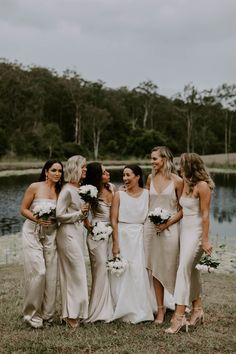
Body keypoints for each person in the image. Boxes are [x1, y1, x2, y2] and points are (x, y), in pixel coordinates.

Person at [165, 152, 215, 334]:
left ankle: (178, 318)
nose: (179, 166)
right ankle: (198, 309)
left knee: (183, 270)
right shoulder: (185, 182)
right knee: (191, 271)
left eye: (182, 163)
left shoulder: (203, 186)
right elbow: (183, 211)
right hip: (184, 232)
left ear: (191, 166)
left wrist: (206, 240)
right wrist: (167, 223)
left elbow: (206, 215)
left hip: (197, 233)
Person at [20, 160, 64, 329]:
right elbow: (23, 209)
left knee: (52, 276)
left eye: (60, 171)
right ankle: (31, 315)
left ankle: (47, 315)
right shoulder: (35, 187)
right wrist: (37, 219)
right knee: (39, 272)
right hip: (32, 232)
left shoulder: (62, 191)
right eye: (54, 170)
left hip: (52, 234)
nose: (57, 173)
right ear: (46, 171)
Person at [143, 146, 183, 324]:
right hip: (150, 229)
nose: (152, 162)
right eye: (151, 159)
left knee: (172, 267)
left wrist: (167, 223)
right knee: (155, 269)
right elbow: (146, 202)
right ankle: (160, 309)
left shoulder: (178, 181)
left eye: (154, 159)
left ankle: (178, 305)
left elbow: (183, 210)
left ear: (165, 159)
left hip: (170, 228)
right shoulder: (150, 178)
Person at [110, 164, 154, 323]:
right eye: (123, 175)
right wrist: (115, 243)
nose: (125, 178)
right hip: (123, 235)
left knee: (140, 271)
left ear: (137, 177)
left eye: (128, 175)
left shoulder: (148, 194)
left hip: (141, 236)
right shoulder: (118, 195)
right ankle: (124, 306)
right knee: (124, 271)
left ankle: (143, 306)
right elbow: (113, 220)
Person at [56, 155, 89, 329]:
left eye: (86, 167)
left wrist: (84, 214)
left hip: (77, 233)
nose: (85, 169)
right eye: (83, 167)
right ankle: (71, 315)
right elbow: (59, 215)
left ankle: (76, 312)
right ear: (75, 168)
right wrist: (79, 213)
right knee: (74, 274)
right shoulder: (67, 190)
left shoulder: (81, 189)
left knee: (78, 273)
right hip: (67, 234)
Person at [83, 162, 115, 322]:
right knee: (100, 269)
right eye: (104, 172)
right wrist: (92, 229)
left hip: (112, 233)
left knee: (110, 268)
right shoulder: (90, 193)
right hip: (97, 235)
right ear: (97, 176)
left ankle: (112, 306)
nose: (108, 173)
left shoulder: (112, 188)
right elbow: (83, 215)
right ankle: (98, 310)